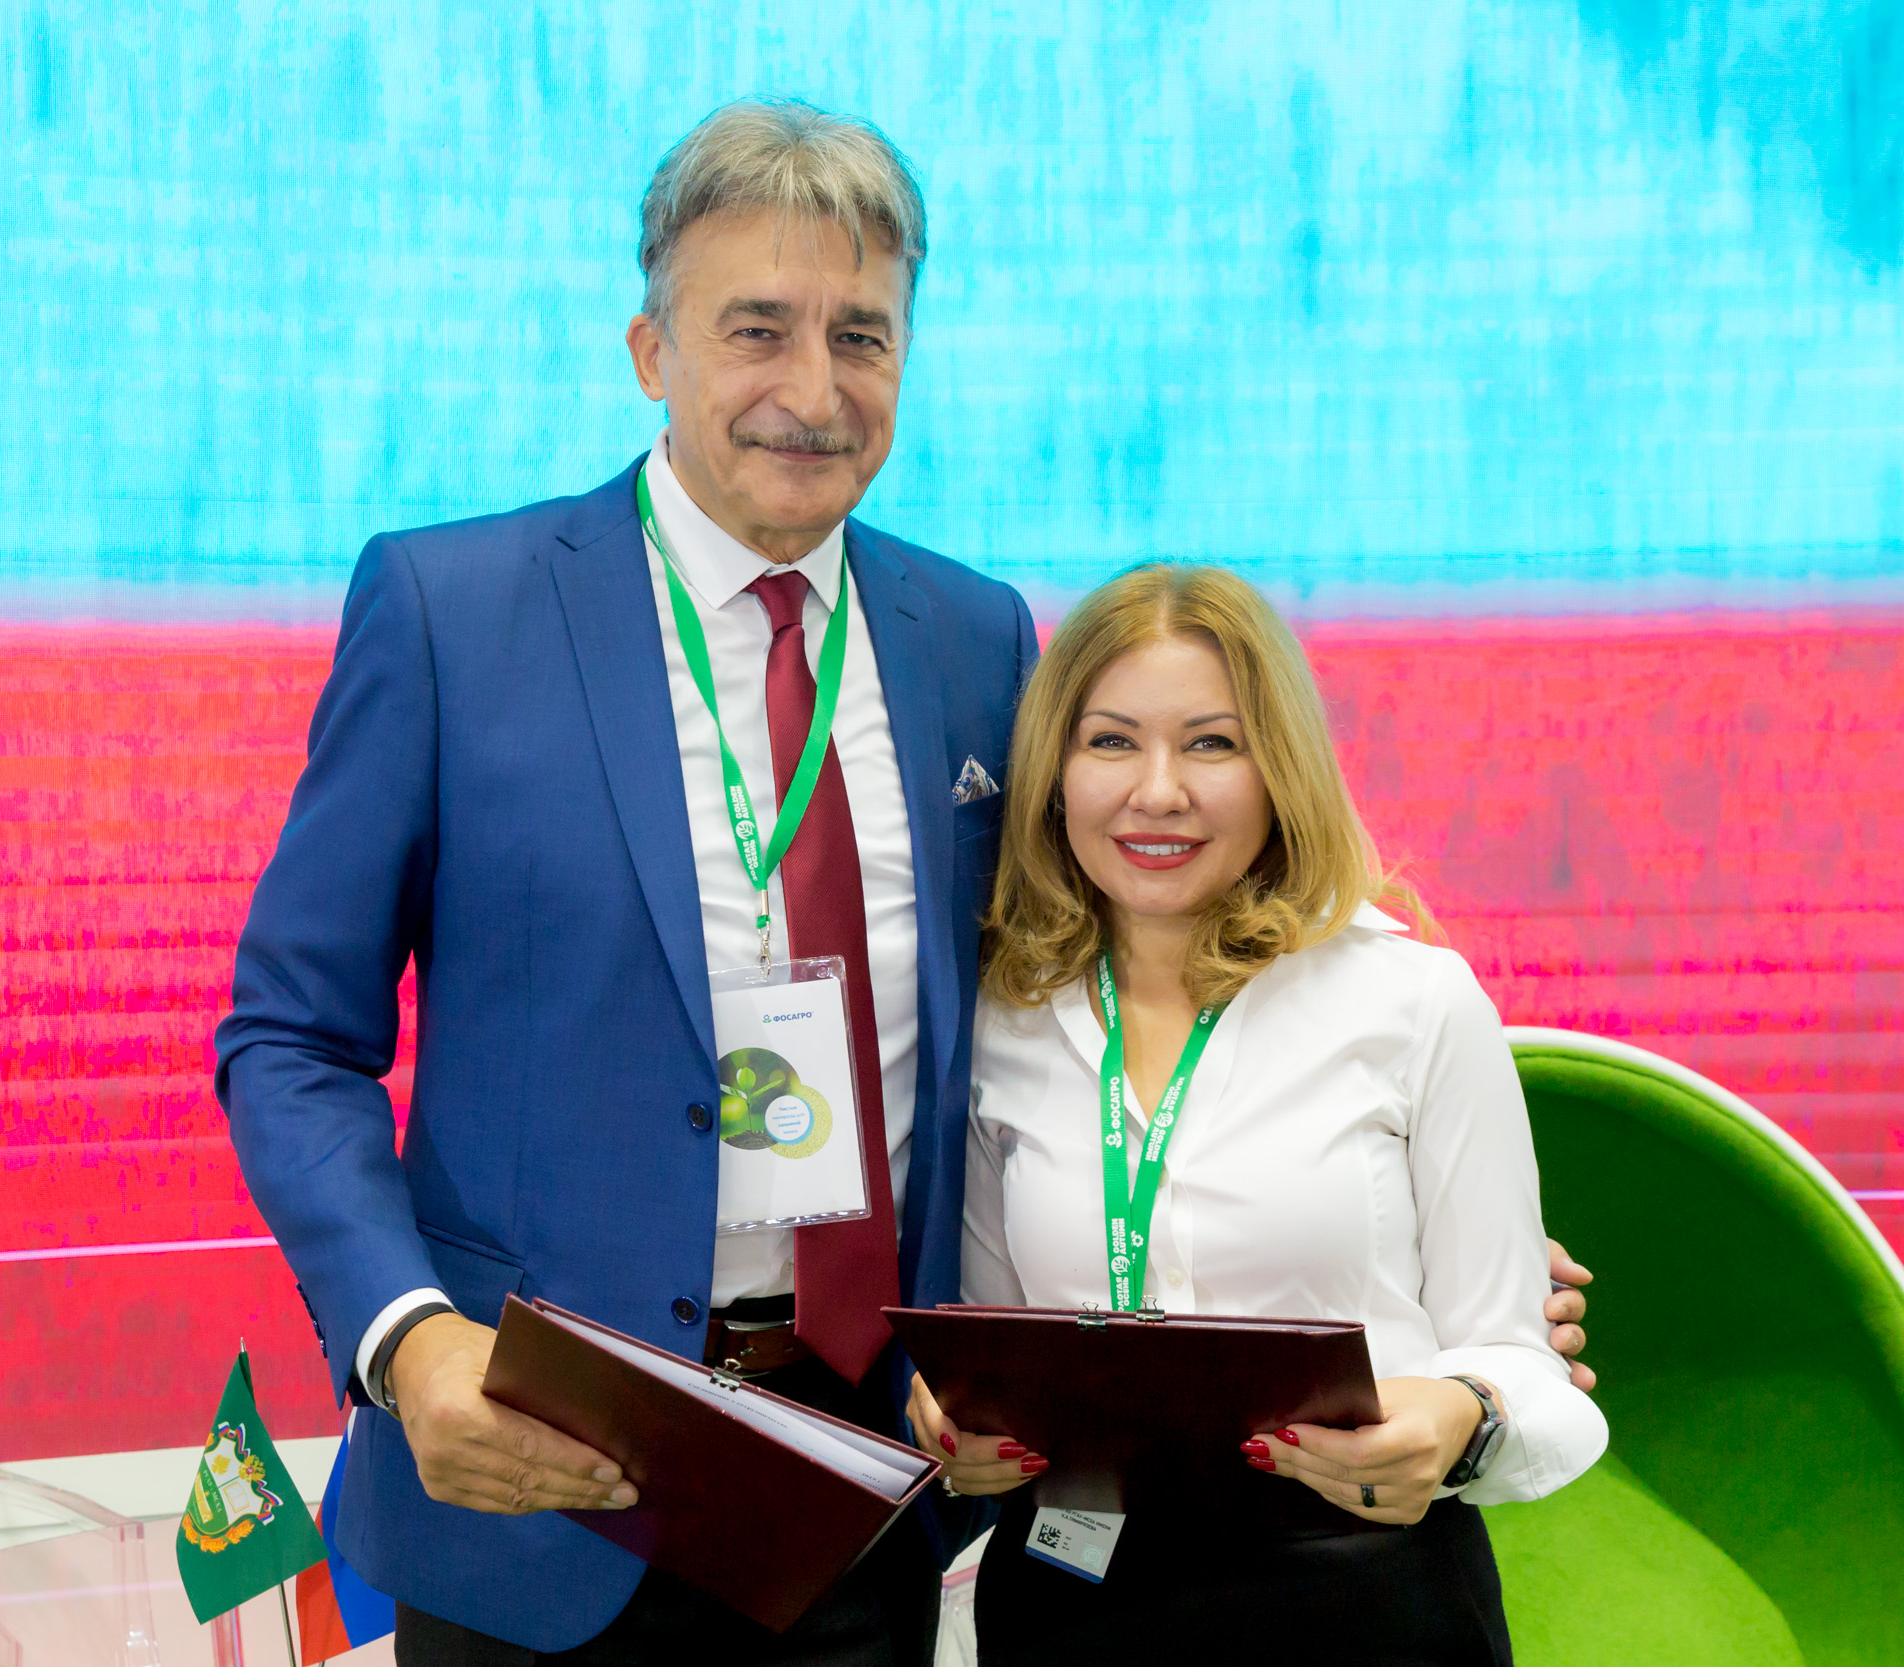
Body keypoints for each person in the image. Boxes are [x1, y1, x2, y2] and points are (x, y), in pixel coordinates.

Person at [218, 99, 1595, 1665]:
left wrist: (1446, 1260)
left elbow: (1119, 939)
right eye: (758, 328)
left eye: (860, 336)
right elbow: (290, 1036)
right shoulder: (452, 610)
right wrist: (407, 1342)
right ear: (651, 349)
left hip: (860, 1506)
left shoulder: (971, 640)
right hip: (537, 1482)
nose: (813, 390)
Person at [906, 563, 1609, 1665]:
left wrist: (1463, 1412)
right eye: (1110, 741)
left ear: (1280, 767)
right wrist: (958, 1429)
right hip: (1074, 1599)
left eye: (1211, 744)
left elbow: (1526, 1362)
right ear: (1051, 771)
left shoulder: (1412, 999)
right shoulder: (1004, 1017)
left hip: (1358, 1597)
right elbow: (991, 1343)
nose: (1158, 791)